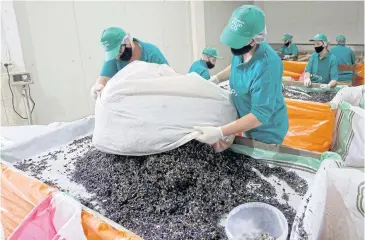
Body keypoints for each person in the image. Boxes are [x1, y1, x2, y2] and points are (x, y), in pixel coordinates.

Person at [194, 5, 288, 145]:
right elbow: (235, 66)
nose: (234, 46)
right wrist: (216, 78)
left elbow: (259, 115)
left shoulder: (268, 66)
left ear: (256, 39)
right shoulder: (243, 51)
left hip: (266, 131)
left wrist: (220, 132)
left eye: (239, 40)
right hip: (245, 119)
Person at [90, 27, 168, 98]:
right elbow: (103, 79)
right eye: (114, 54)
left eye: (119, 51)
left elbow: (168, 76)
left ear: (127, 41)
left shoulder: (151, 52)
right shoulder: (114, 58)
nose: (117, 57)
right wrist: (97, 88)